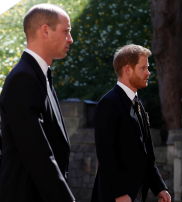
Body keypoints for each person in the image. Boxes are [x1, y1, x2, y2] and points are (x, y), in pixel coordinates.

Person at [0, 4, 75, 202]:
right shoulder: (23, 78)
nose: (70, 39)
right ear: (45, 30)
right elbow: (37, 154)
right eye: (66, 31)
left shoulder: (40, 75)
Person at [91, 44, 171, 202]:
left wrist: (159, 187)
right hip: (116, 197)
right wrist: (119, 193)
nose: (148, 73)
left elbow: (146, 153)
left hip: (136, 194)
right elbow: (106, 154)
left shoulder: (138, 104)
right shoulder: (109, 103)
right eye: (143, 68)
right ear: (127, 69)